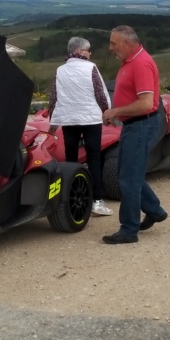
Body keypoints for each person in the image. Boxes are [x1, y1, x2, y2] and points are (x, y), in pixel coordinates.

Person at [100, 25, 167, 244]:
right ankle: (154, 210)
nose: (110, 48)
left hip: (141, 125)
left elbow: (147, 103)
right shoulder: (130, 61)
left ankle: (129, 229)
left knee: (128, 179)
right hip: (134, 125)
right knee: (127, 173)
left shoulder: (141, 63)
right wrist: (118, 114)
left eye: (113, 43)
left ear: (127, 43)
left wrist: (116, 111)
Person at [47, 37, 112, 215]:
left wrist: (52, 122)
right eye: (88, 50)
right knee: (94, 159)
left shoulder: (60, 70)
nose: (90, 53)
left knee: (70, 159)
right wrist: (107, 113)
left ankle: (69, 198)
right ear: (80, 52)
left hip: (69, 120)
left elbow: (53, 97)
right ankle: (97, 201)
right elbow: (100, 93)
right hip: (91, 120)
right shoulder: (91, 68)